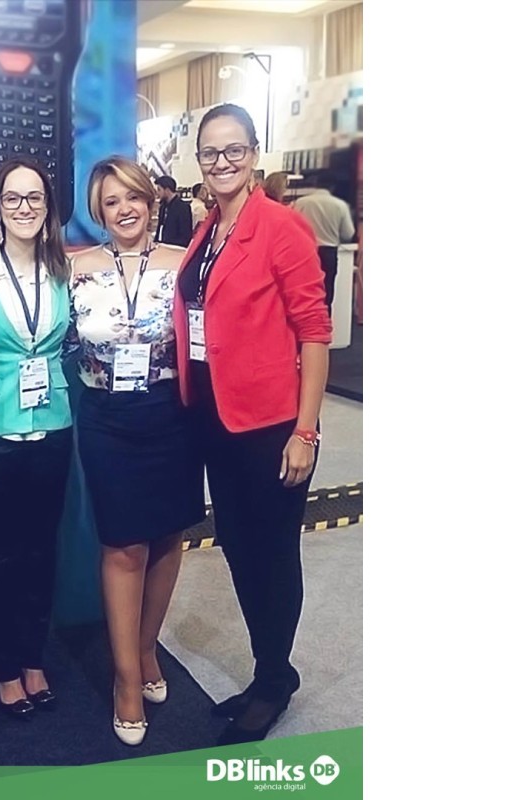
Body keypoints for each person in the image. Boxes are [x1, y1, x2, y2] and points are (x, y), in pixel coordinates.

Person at [171, 104, 332, 745]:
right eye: (210, 152)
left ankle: (273, 682)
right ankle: (270, 669)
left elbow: (314, 332)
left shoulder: (281, 227)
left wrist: (306, 430)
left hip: (271, 425)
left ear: (255, 153)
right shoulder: (209, 228)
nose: (222, 162)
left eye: (233, 149)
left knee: (272, 554)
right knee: (238, 548)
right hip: (216, 419)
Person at [69, 156, 205, 746]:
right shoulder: (76, 268)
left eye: (133, 197)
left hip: (172, 414)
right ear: (98, 212)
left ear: (151, 202)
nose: (124, 209)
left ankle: (148, 648)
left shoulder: (183, 262)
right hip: (107, 418)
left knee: (169, 536)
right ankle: (125, 679)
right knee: (124, 545)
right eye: (111, 201)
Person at [0, 157, 74, 721]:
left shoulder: (62, 269)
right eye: (12, 198)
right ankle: (4, 666)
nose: (24, 207)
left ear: (48, 207)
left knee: (41, 549)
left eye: (35, 198)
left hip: (53, 423)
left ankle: (32, 657)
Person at [293, 174, 356, 309]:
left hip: (306, 252)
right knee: (327, 295)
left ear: (315, 185)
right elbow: (348, 233)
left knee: (305, 294)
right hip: (329, 253)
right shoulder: (340, 205)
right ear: (332, 187)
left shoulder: (301, 203)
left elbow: (291, 227)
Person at [153, 175, 194, 247]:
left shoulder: (183, 207)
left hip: (175, 248)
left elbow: (185, 235)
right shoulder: (163, 207)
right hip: (160, 245)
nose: (157, 193)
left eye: (159, 190)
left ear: (167, 190)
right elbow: (160, 227)